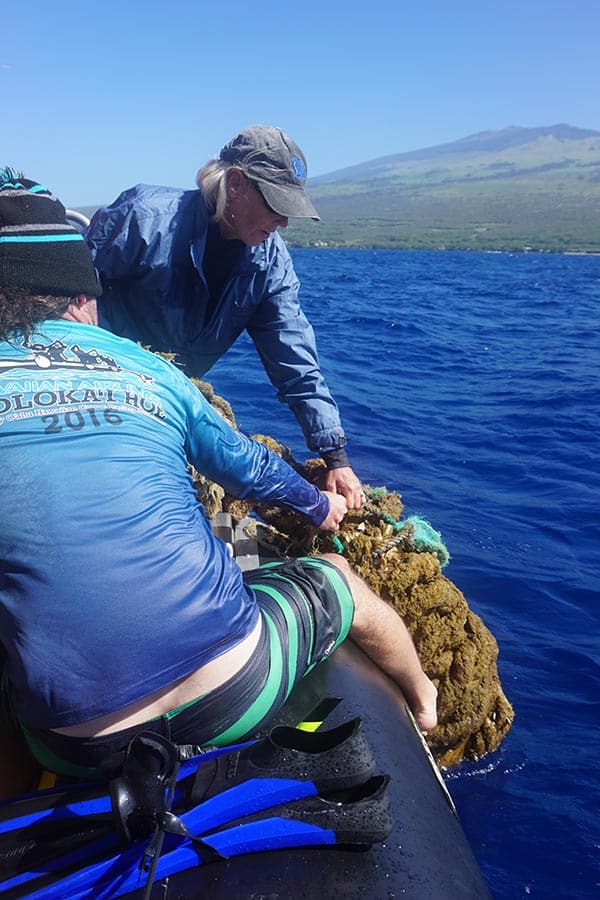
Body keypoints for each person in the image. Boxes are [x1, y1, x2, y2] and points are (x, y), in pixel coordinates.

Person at [0, 169, 437, 779]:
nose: (282, 223)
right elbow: (252, 468)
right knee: (333, 574)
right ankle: (424, 704)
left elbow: (291, 350)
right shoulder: (151, 361)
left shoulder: (266, 261)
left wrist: (331, 449)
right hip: (231, 692)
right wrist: (319, 505)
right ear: (82, 297)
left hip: (70, 745)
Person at [85, 125, 366, 510]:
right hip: (99, 394)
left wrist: (335, 457)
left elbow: (295, 361)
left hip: (176, 406)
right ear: (235, 184)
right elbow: (68, 300)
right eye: (276, 204)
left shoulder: (270, 263)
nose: (284, 222)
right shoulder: (144, 219)